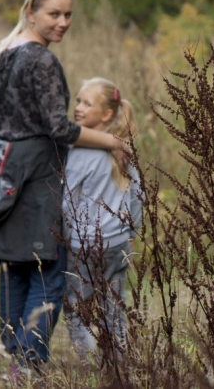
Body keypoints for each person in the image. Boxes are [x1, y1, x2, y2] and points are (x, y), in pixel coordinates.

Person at [0, 0, 126, 385]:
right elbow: (60, 128)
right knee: (47, 271)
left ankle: (16, 354)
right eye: (54, 14)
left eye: (68, 14)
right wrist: (112, 140)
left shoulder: (5, 53)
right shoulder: (41, 60)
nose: (63, 22)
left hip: (2, 173)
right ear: (31, 12)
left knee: (17, 265)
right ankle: (25, 365)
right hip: (36, 177)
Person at [61, 77, 142, 365]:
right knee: (113, 307)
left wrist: (64, 238)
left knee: (75, 309)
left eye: (87, 103)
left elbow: (68, 202)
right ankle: (118, 364)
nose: (79, 108)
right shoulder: (122, 148)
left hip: (85, 244)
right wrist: (132, 231)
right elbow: (137, 195)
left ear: (106, 114)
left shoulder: (81, 152)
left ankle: (93, 363)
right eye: (78, 101)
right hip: (118, 243)